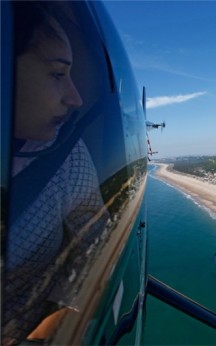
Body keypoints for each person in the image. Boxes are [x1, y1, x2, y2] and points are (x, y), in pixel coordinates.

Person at [2, 2, 107, 344]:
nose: (75, 98)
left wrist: (57, 321)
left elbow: (95, 240)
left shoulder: (62, 156)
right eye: (58, 73)